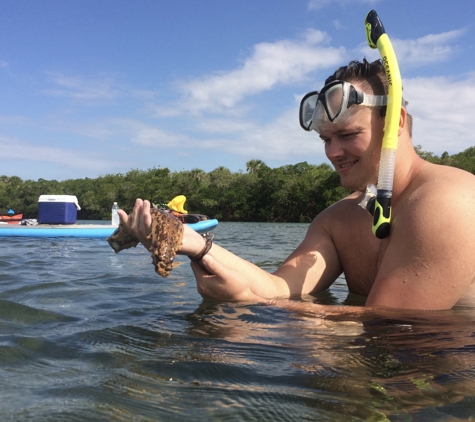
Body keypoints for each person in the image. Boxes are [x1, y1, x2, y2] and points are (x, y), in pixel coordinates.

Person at [118, 59, 475, 311]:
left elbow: (393, 325)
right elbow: (282, 289)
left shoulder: (451, 200)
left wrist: (254, 304)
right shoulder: (337, 220)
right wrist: (193, 245)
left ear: (394, 121)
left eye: (348, 135)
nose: (333, 152)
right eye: (325, 140)